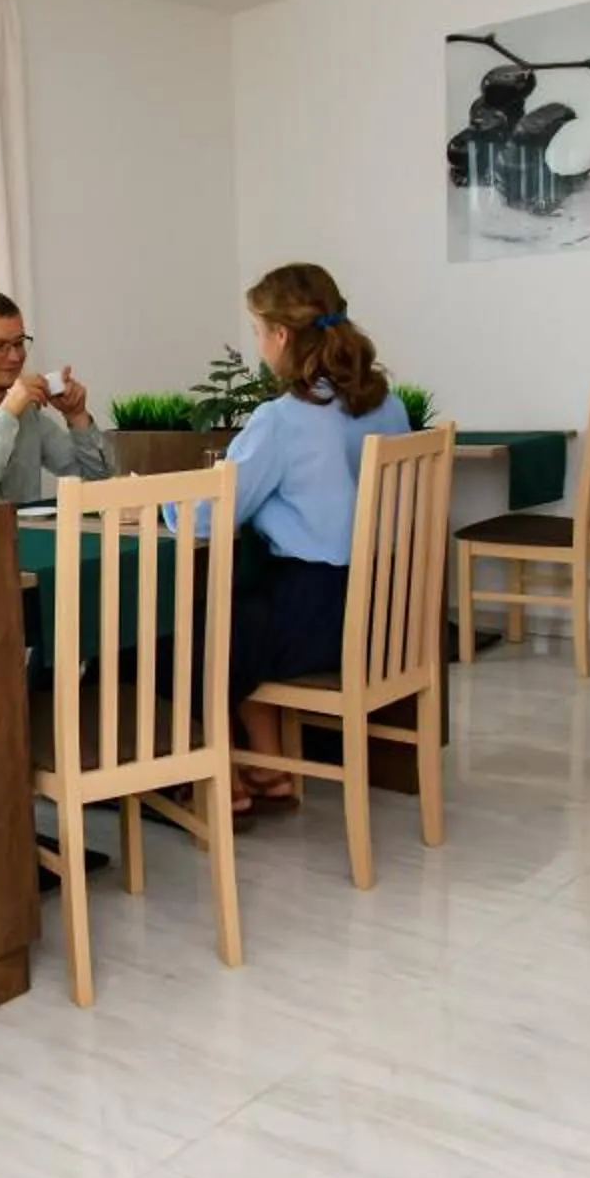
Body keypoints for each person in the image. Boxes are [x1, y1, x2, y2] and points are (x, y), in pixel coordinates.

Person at [221, 263, 409, 813]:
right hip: (386, 612)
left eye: (258, 332)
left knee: (188, 633)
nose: (259, 345)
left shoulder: (282, 419)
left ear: (281, 335)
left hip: (319, 615)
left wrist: (163, 505)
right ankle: (266, 763)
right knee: (242, 615)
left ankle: (220, 775)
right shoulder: (389, 406)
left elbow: (210, 516)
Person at [0, 289, 114, 504]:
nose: (14, 356)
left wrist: (77, 417)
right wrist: (7, 413)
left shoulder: (27, 413)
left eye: (18, 343)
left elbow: (100, 482)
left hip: (28, 528)